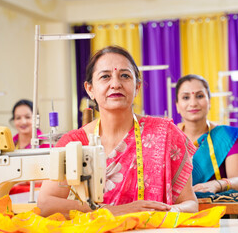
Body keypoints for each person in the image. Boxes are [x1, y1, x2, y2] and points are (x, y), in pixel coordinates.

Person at [38, 46, 198, 218]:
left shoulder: (165, 133)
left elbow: (190, 203)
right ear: (90, 89)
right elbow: (46, 204)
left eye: (125, 76)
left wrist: (162, 213)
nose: (115, 84)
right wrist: (115, 211)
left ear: (137, 87)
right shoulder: (74, 143)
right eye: (105, 76)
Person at [175, 74, 238, 193]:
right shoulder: (168, 138)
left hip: (220, 208)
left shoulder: (227, 136)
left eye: (200, 96)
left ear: (209, 102)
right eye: (185, 97)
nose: (193, 103)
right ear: (177, 106)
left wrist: (217, 185)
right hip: (177, 209)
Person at [9, 99, 47, 194]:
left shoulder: (45, 145)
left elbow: (51, 178)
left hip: (36, 195)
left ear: (36, 119)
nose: (23, 122)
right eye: (18, 118)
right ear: (13, 120)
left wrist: (22, 180)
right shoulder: (9, 145)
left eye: (28, 117)